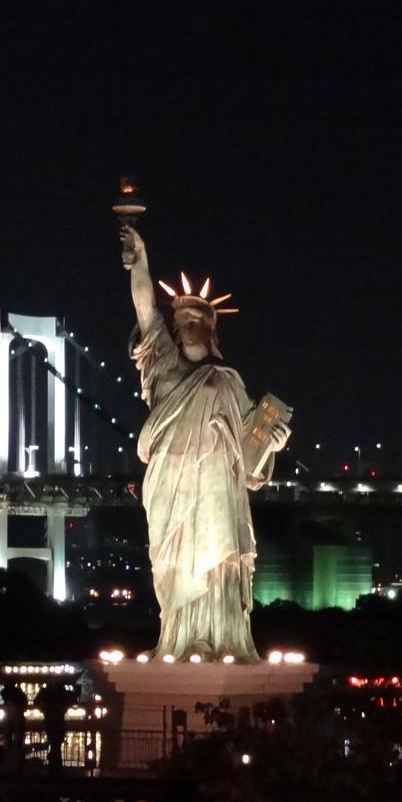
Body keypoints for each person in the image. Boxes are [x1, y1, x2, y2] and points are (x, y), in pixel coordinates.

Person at [120, 223, 291, 662]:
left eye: (197, 322)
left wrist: (273, 440)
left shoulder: (227, 382)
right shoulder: (164, 368)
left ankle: (218, 638)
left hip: (217, 487)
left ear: (211, 330)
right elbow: (144, 309)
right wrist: (140, 260)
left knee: (217, 558)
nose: (189, 328)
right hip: (172, 485)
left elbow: (251, 458)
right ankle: (179, 638)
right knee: (175, 559)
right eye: (182, 322)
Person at [34, 680, 71, 774]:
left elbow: (36, 702)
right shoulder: (62, 692)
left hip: (49, 719)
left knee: (54, 742)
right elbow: (69, 701)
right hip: (58, 720)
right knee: (57, 743)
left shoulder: (46, 691)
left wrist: (43, 710)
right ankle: (57, 766)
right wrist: (63, 709)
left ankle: (53, 766)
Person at [0, 680, 28, 772]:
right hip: (16, 719)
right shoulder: (19, 694)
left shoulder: (4, 693)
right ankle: (17, 764)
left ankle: (9, 763)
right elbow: (24, 702)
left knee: (9, 741)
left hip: (10, 719)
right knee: (18, 742)